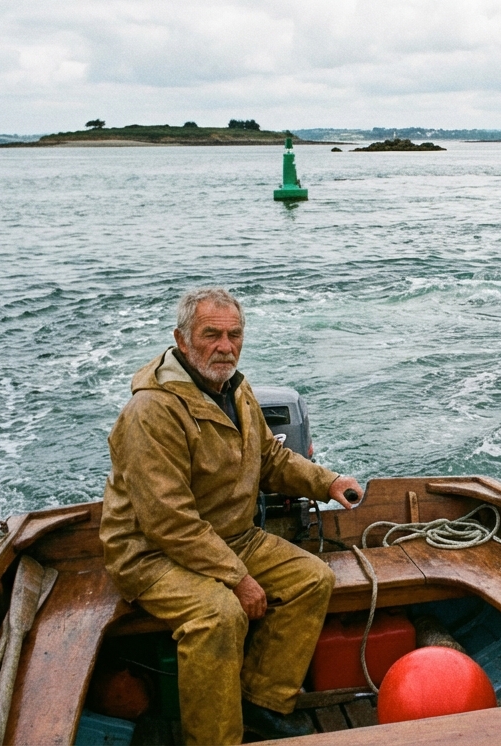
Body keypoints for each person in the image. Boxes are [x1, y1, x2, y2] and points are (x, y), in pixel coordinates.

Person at [99, 286, 362, 744]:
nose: (225, 346)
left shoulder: (235, 389)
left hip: (231, 535)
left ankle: (263, 699)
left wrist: (328, 482)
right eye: (211, 335)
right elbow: (168, 522)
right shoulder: (152, 411)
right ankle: (214, 738)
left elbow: (272, 461)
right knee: (219, 614)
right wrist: (237, 578)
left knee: (312, 579)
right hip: (151, 553)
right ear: (181, 341)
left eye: (234, 334)